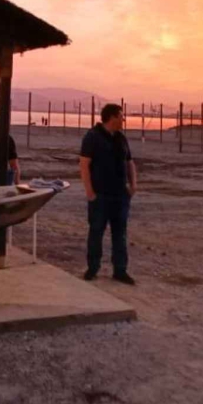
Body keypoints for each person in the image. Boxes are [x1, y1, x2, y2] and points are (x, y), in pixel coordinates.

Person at [79, 103, 136, 285]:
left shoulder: (121, 138)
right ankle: (93, 268)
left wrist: (133, 185)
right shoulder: (92, 137)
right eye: (121, 116)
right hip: (100, 195)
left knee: (120, 233)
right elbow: (84, 164)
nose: (123, 120)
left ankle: (120, 270)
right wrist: (89, 191)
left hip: (120, 195)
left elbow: (130, 163)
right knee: (96, 231)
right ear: (111, 117)